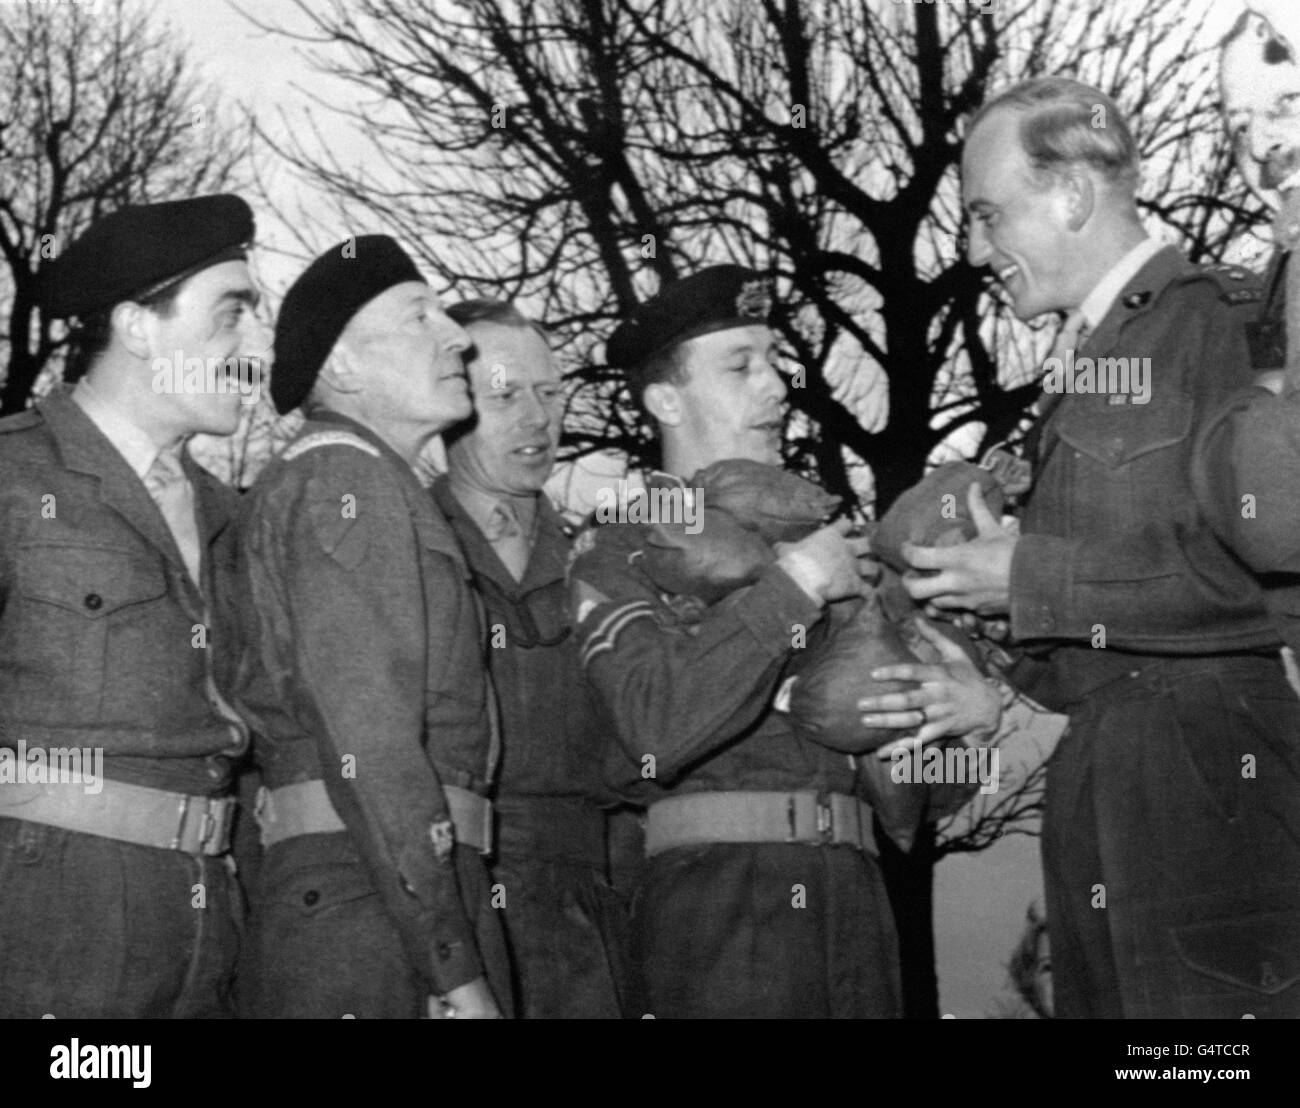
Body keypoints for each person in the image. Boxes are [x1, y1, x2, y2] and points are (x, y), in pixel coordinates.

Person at [900, 77, 1300, 1017]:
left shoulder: (1228, 324)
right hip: (1103, 796)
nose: (973, 248)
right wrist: (998, 681)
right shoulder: (1086, 369)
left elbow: (1272, 578)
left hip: (1214, 800)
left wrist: (1033, 576)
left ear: (1073, 195)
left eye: (989, 215)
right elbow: (1121, 617)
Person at [567, 264, 1000, 1018]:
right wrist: (796, 585)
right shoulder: (623, 550)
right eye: (741, 366)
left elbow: (927, 798)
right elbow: (653, 728)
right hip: (721, 915)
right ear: (665, 399)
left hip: (860, 903)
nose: (776, 387)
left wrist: (967, 716)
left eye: (774, 362)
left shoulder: (830, 542)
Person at [0, 195, 264, 1017]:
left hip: (208, 916)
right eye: (232, 315)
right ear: (139, 326)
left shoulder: (230, 516)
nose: (255, 349)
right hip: (54, 918)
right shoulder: (16, 479)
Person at [232, 236, 509, 1018]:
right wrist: (450, 964)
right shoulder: (344, 480)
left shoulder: (365, 479)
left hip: (383, 887)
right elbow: (371, 745)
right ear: (343, 369)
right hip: (375, 904)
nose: (456, 334)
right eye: (418, 317)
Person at [435, 298, 628, 1018]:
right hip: (453, 899)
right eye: (506, 395)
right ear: (452, 403)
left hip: (583, 918)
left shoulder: (604, 563)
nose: (537, 418)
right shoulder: (407, 546)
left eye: (549, 393)